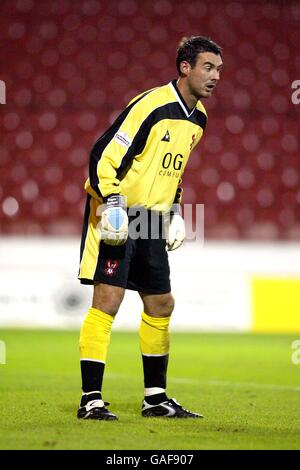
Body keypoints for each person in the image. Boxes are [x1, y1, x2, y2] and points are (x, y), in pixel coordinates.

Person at [77, 36, 223, 420]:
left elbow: (173, 172)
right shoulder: (151, 106)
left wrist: (174, 210)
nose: (215, 76)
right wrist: (110, 203)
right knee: (107, 302)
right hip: (119, 212)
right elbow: (102, 154)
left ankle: (155, 399)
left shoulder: (199, 120)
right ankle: (90, 399)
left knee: (161, 303)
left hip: (152, 220)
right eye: (208, 67)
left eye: (219, 70)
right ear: (185, 67)